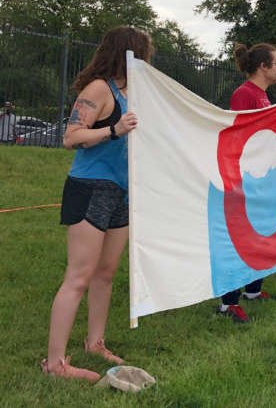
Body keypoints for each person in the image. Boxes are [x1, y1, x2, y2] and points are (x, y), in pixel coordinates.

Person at [43, 26, 151, 382]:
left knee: (105, 274)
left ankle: (95, 343)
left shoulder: (134, 93)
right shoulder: (99, 89)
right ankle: (55, 364)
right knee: (79, 276)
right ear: (129, 53)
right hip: (90, 188)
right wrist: (113, 130)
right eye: (144, 52)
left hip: (121, 192)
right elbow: (70, 137)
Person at [217, 42, 276, 323]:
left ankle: (253, 290)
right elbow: (241, 135)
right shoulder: (244, 94)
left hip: (262, 176)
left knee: (261, 234)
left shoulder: (264, 96)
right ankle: (227, 302)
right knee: (240, 240)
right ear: (263, 67)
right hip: (244, 178)